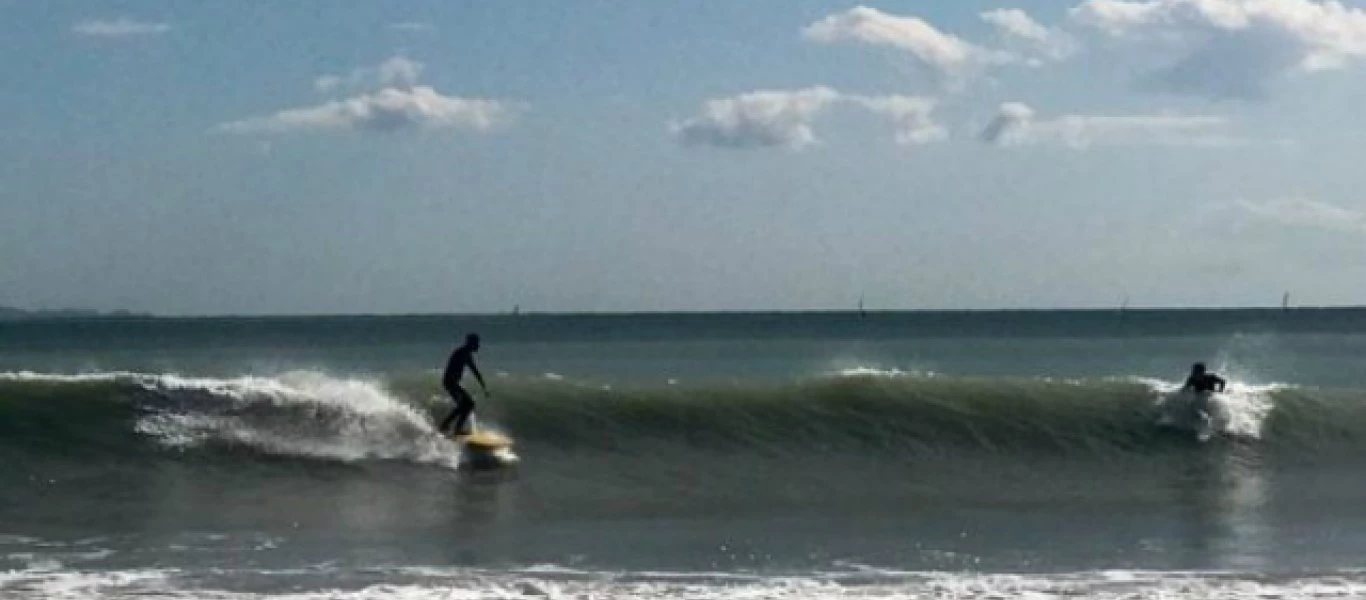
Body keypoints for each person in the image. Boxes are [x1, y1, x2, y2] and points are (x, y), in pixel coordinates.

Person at [439, 333, 489, 436]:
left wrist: (483, 386)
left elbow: (474, 370)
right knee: (466, 405)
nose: (478, 346)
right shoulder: (461, 353)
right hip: (450, 382)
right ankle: (450, 427)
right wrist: (455, 385)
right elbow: (451, 369)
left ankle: (450, 427)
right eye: (476, 343)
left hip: (453, 383)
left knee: (468, 405)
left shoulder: (466, 354)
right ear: (471, 343)